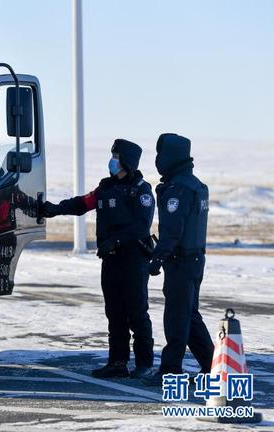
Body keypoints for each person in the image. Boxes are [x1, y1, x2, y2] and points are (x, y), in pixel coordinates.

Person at [42, 139, 155, 379]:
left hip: (134, 259)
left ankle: (144, 364)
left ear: (127, 162)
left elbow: (141, 226)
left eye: (116, 156)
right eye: (112, 155)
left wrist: (115, 241)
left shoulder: (141, 190)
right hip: (111, 260)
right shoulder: (105, 188)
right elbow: (83, 203)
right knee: (114, 312)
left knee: (136, 312)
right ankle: (117, 362)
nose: (112, 161)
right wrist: (55, 209)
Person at [142, 133, 214, 386]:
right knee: (189, 316)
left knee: (177, 317)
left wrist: (157, 258)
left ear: (171, 157)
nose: (158, 161)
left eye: (160, 155)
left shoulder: (178, 188)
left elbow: (173, 229)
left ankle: (170, 370)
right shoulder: (194, 184)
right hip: (193, 260)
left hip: (181, 261)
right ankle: (212, 366)